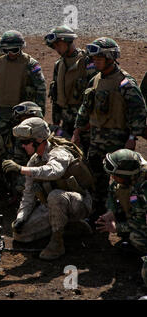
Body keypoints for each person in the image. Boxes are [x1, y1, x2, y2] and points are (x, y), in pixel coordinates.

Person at [72, 37, 147, 225]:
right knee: (96, 179)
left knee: (119, 182)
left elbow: (138, 113)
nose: (95, 61)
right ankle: (97, 216)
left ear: (110, 58)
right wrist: (77, 131)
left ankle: (122, 219)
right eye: (94, 58)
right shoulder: (95, 80)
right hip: (96, 140)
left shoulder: (125, 83)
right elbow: (84, 108)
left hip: (117, 141)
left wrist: (132, 137)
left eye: (99, 58)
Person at [3, 117, 94, 260]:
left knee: (55, 196)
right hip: (53, 207)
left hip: (79, 203)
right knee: (21, 235)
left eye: (26, 142)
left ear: (39, 140)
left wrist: (21, 169)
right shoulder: (33, 161)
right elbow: (28, 196)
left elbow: (54, 171)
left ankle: (57, 243)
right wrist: (21, 218)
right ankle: (71, 227)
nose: (22, 146)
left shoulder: (60, 152)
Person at [0, 30, 46, 142]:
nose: (10, 53)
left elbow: (41, 89)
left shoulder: (31, 64)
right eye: (6, 50)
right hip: (1, 113)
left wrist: (39, 114)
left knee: (22, 144)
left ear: (21, 48)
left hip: (23, 114)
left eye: (14, 50)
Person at [96, 149, 146, 285]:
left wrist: (116, 227)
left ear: (126, 176)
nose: (112, 177)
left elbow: (141, 222)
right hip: (138, 214)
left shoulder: (142, 190)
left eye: (115, 175)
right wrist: (111, 211)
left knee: (136, 237)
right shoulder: (130, 176)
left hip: (143, 220)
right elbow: (113, 189)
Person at [44, 25, 96, 154]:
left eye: (58, 44)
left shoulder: (87, 62)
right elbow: (55, 95)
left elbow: (95, 94)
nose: (56, 49)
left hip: (86, 122)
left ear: (67, 41)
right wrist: (56, 123)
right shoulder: (59, 64)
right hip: (66, 121)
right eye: (54, 46)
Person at [0, 101, 44, 199]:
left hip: (43, 175)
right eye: (20, 120)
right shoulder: (15, 136)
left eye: (25, 120)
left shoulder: (51, 132)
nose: (23, 124)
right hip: (21, 172)